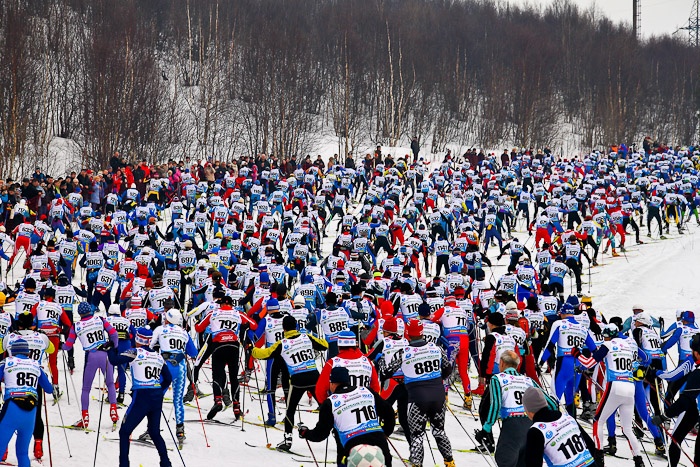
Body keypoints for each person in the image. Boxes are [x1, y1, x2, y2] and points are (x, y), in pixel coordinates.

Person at [384, 319, 456, 467]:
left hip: (417, 398)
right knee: (439, 431)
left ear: (408, 334)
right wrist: (437, 378)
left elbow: (387, 372)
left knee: (417, 435)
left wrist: (381, 362)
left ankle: (416, 464)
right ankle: (449, 461)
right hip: (438, 395)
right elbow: (448, 368)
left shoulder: (404, 352)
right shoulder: (435, 348)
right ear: (422, 332)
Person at [252, 315, 328, 451]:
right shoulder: (307, 337)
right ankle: (339, 436)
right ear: (297, 326)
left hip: (298, 379)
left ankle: (287, 440)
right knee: (326, 407)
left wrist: (252, 350)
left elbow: (265, 354)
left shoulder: (282, 343)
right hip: (313, 376)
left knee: (290, 411)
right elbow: (324, 345)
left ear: (283, 328)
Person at [572, 324, 645, 467]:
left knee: (598, 421)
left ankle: (598, 458)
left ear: (607, 335)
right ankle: (639, 461)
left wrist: (577, 354)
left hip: (615, 386)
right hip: (630, 387)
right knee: (627, 429)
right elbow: (639, 362)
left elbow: (588, 363)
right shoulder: (627, 345)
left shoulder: (607, 345)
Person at [299, 366, 395, 466]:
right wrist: (385, 432)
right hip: (379, 446)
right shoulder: (367, 391)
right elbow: (389, 413)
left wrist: (305, 433)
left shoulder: (330, 402)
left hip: (354, 451)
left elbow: (320, 434)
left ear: (331, 383)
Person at [475, 350, 556, 466]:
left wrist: (486, 429)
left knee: (504, 460)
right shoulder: (528, 380)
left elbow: (495, 405)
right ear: (517, 365)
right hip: (531, 426)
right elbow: (552, 404)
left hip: (512, 427)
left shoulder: (497, 379)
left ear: (501, 363)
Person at [107, 327, 173, 467]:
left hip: (142, 396)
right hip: (156, 395)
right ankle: (166, 463)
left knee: (124, 431)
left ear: (138, 339)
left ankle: (124, 464)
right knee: (154, 432)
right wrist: (159, 391)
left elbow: (114, 361)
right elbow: (168, 378)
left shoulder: (135, 352)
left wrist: (110, 348)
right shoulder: (157, 355)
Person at [61, 301, 120, 428]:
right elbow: (114, 333)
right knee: (110, 384)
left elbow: (68, 345)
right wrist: (114, 347)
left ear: (80, 313)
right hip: (105, 354)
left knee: (86, 389)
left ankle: (85, 418)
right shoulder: (100, 319)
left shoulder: (76, 325)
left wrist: (61, 345)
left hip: (91, 356)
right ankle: (114, 412)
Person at [0, 339, 53, 467]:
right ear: (27, 353)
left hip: (12, 408)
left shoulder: (7, 362)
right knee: (23, 453)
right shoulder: (35, 364)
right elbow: (49, 389)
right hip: (30, 413)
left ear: (12, 352)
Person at [652, 333, 700, 467]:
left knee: (675, 440)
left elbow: (684, 399)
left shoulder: (694, 367)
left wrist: (664, 416)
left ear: (696, 353)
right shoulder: (694, 365)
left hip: (692, 409)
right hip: (693, 410)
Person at [151, 308, 197, 444]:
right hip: (181, 366)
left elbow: (150, 344)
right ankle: (180, 430)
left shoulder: (160, 329)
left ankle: (152, 430)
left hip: (165, 366)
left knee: (156, 398)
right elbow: (193, 353)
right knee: (177, 400)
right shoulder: (184, 332)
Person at [523, 386, 596, 467]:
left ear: (529, 411)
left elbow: (532, 464)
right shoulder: (567, 417)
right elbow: (591, 446)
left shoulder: (536, 431)